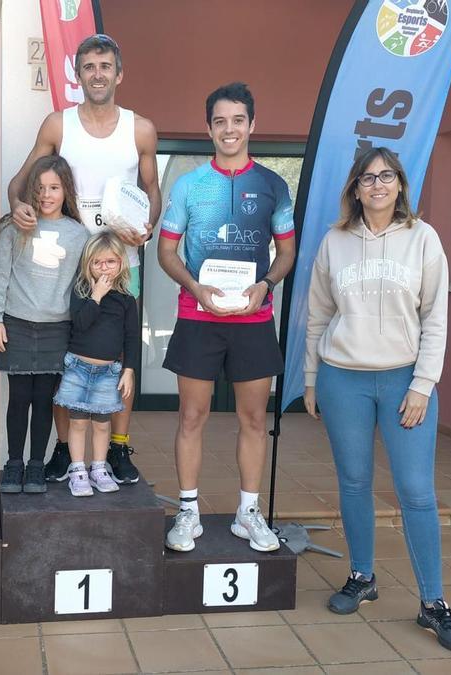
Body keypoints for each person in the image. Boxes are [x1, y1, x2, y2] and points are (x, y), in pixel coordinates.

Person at [303, 147, 451, 652]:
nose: (377, 185)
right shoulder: (334, 242)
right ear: (354, 188)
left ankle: (433, 603)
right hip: (343, 379)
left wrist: (423, 384)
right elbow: (316, 317)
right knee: (354, 483)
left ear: (399, 184)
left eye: (386, 176)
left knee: (416, 491)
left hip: (403, 382)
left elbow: (436, 318)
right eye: (367, 178)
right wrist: (312, 380)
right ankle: (362, 577)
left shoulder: (423, 239)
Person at [8, 34, 160, 485]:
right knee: (67, 354)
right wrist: (19, 205)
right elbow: (21, 182)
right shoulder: (58, 125)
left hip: (120, 260)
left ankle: (116, 447)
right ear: (78, 74)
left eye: (105, 66)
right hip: (67, 261)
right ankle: (64, 448)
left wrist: (147, 225)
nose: (97, 73)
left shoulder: (140, 129)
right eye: (89, 66)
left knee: (118, 353)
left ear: (119, 73)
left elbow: (151, 190)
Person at [158, 83, 296, 553]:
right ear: (209, 129)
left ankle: (248, 513)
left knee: (254, 419)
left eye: (238, 120)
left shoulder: (273, 185)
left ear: (252, 125)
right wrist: (195, 288)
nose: (229, 129)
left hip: (254, 321)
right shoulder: (189, 186)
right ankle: (188, 511)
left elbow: (287, 249)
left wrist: (267, 285)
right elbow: (166, 251)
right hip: (198, 316)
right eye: (220, 121)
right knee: (191, 416)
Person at [0, 156, 88, 494]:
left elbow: (81, 283)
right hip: (17, 322)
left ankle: (36, 466)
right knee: (19, 397)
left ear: (66, 190)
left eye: (54, 188)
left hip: (57, 327)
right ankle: (14, 464)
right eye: (40, 188)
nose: (46, 195)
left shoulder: (79, 234)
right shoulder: (17, 226)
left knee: (45, 399)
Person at [53, 232, 140, 497]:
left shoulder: (126, 299)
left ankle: (99, 468)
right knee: (78, 422)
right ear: (87, 265)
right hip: (78, 368)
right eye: (97, 263)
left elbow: (132, 338)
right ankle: (78, 471)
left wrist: (129, 370)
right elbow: (81, 323)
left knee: (102, 424)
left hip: (108, 372)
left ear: (121, 263)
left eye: (110, 262)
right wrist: (96, 296)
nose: (104, 268)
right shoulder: (81, 294)